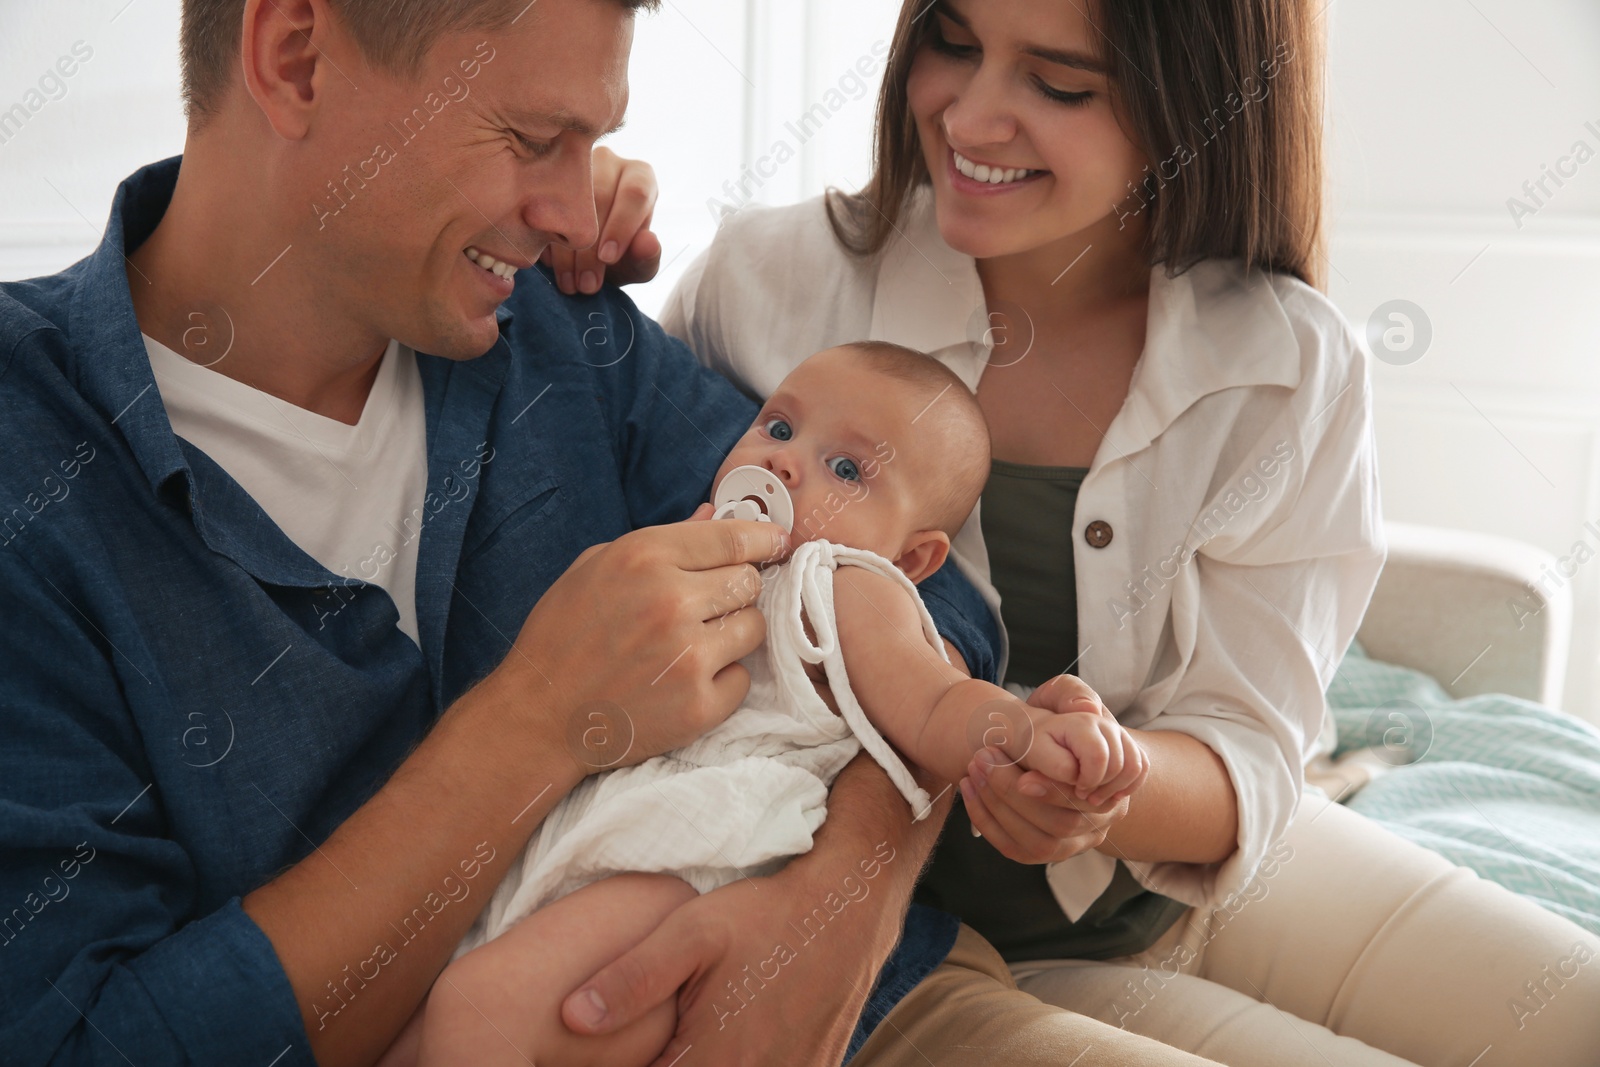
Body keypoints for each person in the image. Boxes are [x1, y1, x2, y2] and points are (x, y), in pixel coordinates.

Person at [0, 3, 1064, 1066]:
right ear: (295, 59)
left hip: (878, 1005)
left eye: (590, 142)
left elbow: (920, 587)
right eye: (530, 138)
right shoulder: (32, 465)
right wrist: (537, 721)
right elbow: (81, 1041)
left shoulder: (556, 319)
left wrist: (841, 900)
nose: (572, 206)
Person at [551, 0, 1600, 1064]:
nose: (969, 115)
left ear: (1188, 107)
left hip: (1191, 891)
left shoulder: (1287, 360)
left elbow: (1245, 745)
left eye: (1057, 84)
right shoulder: (770, 281)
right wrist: (567, 216)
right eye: (953, 43)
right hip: (923, 944)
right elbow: (643, 545)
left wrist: (1095, 786)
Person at [387, 341, 1152, 1065]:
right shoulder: (698, 538)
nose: (782, 460)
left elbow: (934, 707)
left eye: (845, 467)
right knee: (405, 1039)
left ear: (912, 558)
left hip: (694, 864)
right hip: (593, 845)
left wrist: (1029, 732)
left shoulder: (843, 580)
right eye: (778, 426)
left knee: (476, 1007)